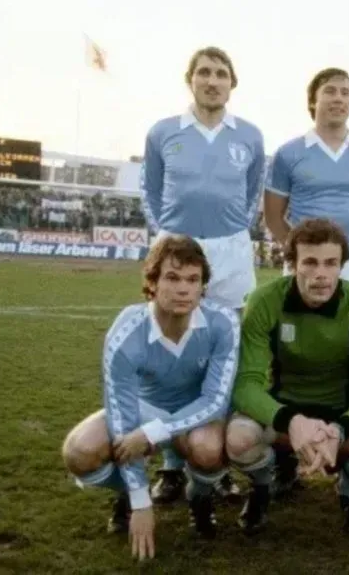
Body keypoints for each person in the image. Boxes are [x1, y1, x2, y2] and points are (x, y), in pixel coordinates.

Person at [61, 235, 240, 560]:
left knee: (208, 448)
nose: (184, 289)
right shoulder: (127, 330)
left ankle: (199, 495)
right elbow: (123, 420)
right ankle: (127, 495)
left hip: (196, 413)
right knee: (80, 452)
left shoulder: (223, 322)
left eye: (193, 279)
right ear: (152, 282)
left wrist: (154, 433)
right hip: (146, 410)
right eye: (172, 278)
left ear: (203, 286)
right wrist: (141, 500)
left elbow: (216, 399)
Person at [139, 46, 265, 502]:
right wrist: (168, 237)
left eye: (221, 74)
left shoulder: (248, 136)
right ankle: (173, 465)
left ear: (233, 83)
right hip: (176, 247)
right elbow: (150, 190)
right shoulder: (163, 132)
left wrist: (227, 233)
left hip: (230, 250)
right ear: (189, 79)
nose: (213, 81)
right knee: (172, 354)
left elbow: (252, 196)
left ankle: (217, 463)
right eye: (204, 73)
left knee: (222, 355)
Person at [226, 218, 349, 535]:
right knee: (238, 438)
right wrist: (290, 421)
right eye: (310, 262)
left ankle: (348, 486)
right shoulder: (264, 300)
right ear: (291, 264)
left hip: (340, 415)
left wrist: (339, 430)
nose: (322, 273)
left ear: (341, 265)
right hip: (284, 412)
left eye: (331, 263)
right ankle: (263, 486)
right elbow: (246, 384)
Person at [265, 67, 349, 295]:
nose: (338, 98)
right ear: (313, 101)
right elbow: (273, 217)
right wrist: (300, 251)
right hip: (306, 261)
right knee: (303, 329)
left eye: (345, 93)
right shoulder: (288, 153)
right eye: (330, 91)